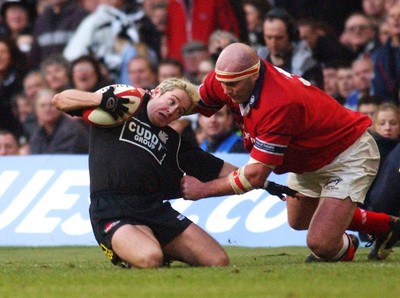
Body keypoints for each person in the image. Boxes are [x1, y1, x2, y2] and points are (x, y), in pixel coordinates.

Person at [181, 42, 400, 262]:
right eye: (223, 82)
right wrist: (152, 104)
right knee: (297, 220)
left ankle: (344, 247)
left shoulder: (278, 103)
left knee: (320, 243)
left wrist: (203, 190)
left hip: (347, 154)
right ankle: (386, 226)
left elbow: (255, 175)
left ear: (254, 75)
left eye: (234, 84)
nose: (226, 90)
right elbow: (192, 102)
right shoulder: (229, 77)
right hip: (309, 157)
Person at [52, 78, 232, 268]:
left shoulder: (173, 141)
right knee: (150, 259)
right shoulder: (123, 105)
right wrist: (101, 100)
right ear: (156, 92)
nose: (172, 111)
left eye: (179, 111)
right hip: (111, 209)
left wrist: (260, 178)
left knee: (218, 260)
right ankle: (129, 249)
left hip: (154, 209)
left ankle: (153, 244)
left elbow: (220, 169)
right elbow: (60, 99)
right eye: (171, 101)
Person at [29, 88, 89, 154]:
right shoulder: (37, 134)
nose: (47, 109)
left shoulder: (72, 130)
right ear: (36, 110)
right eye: (43, 106)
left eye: (51, 105)